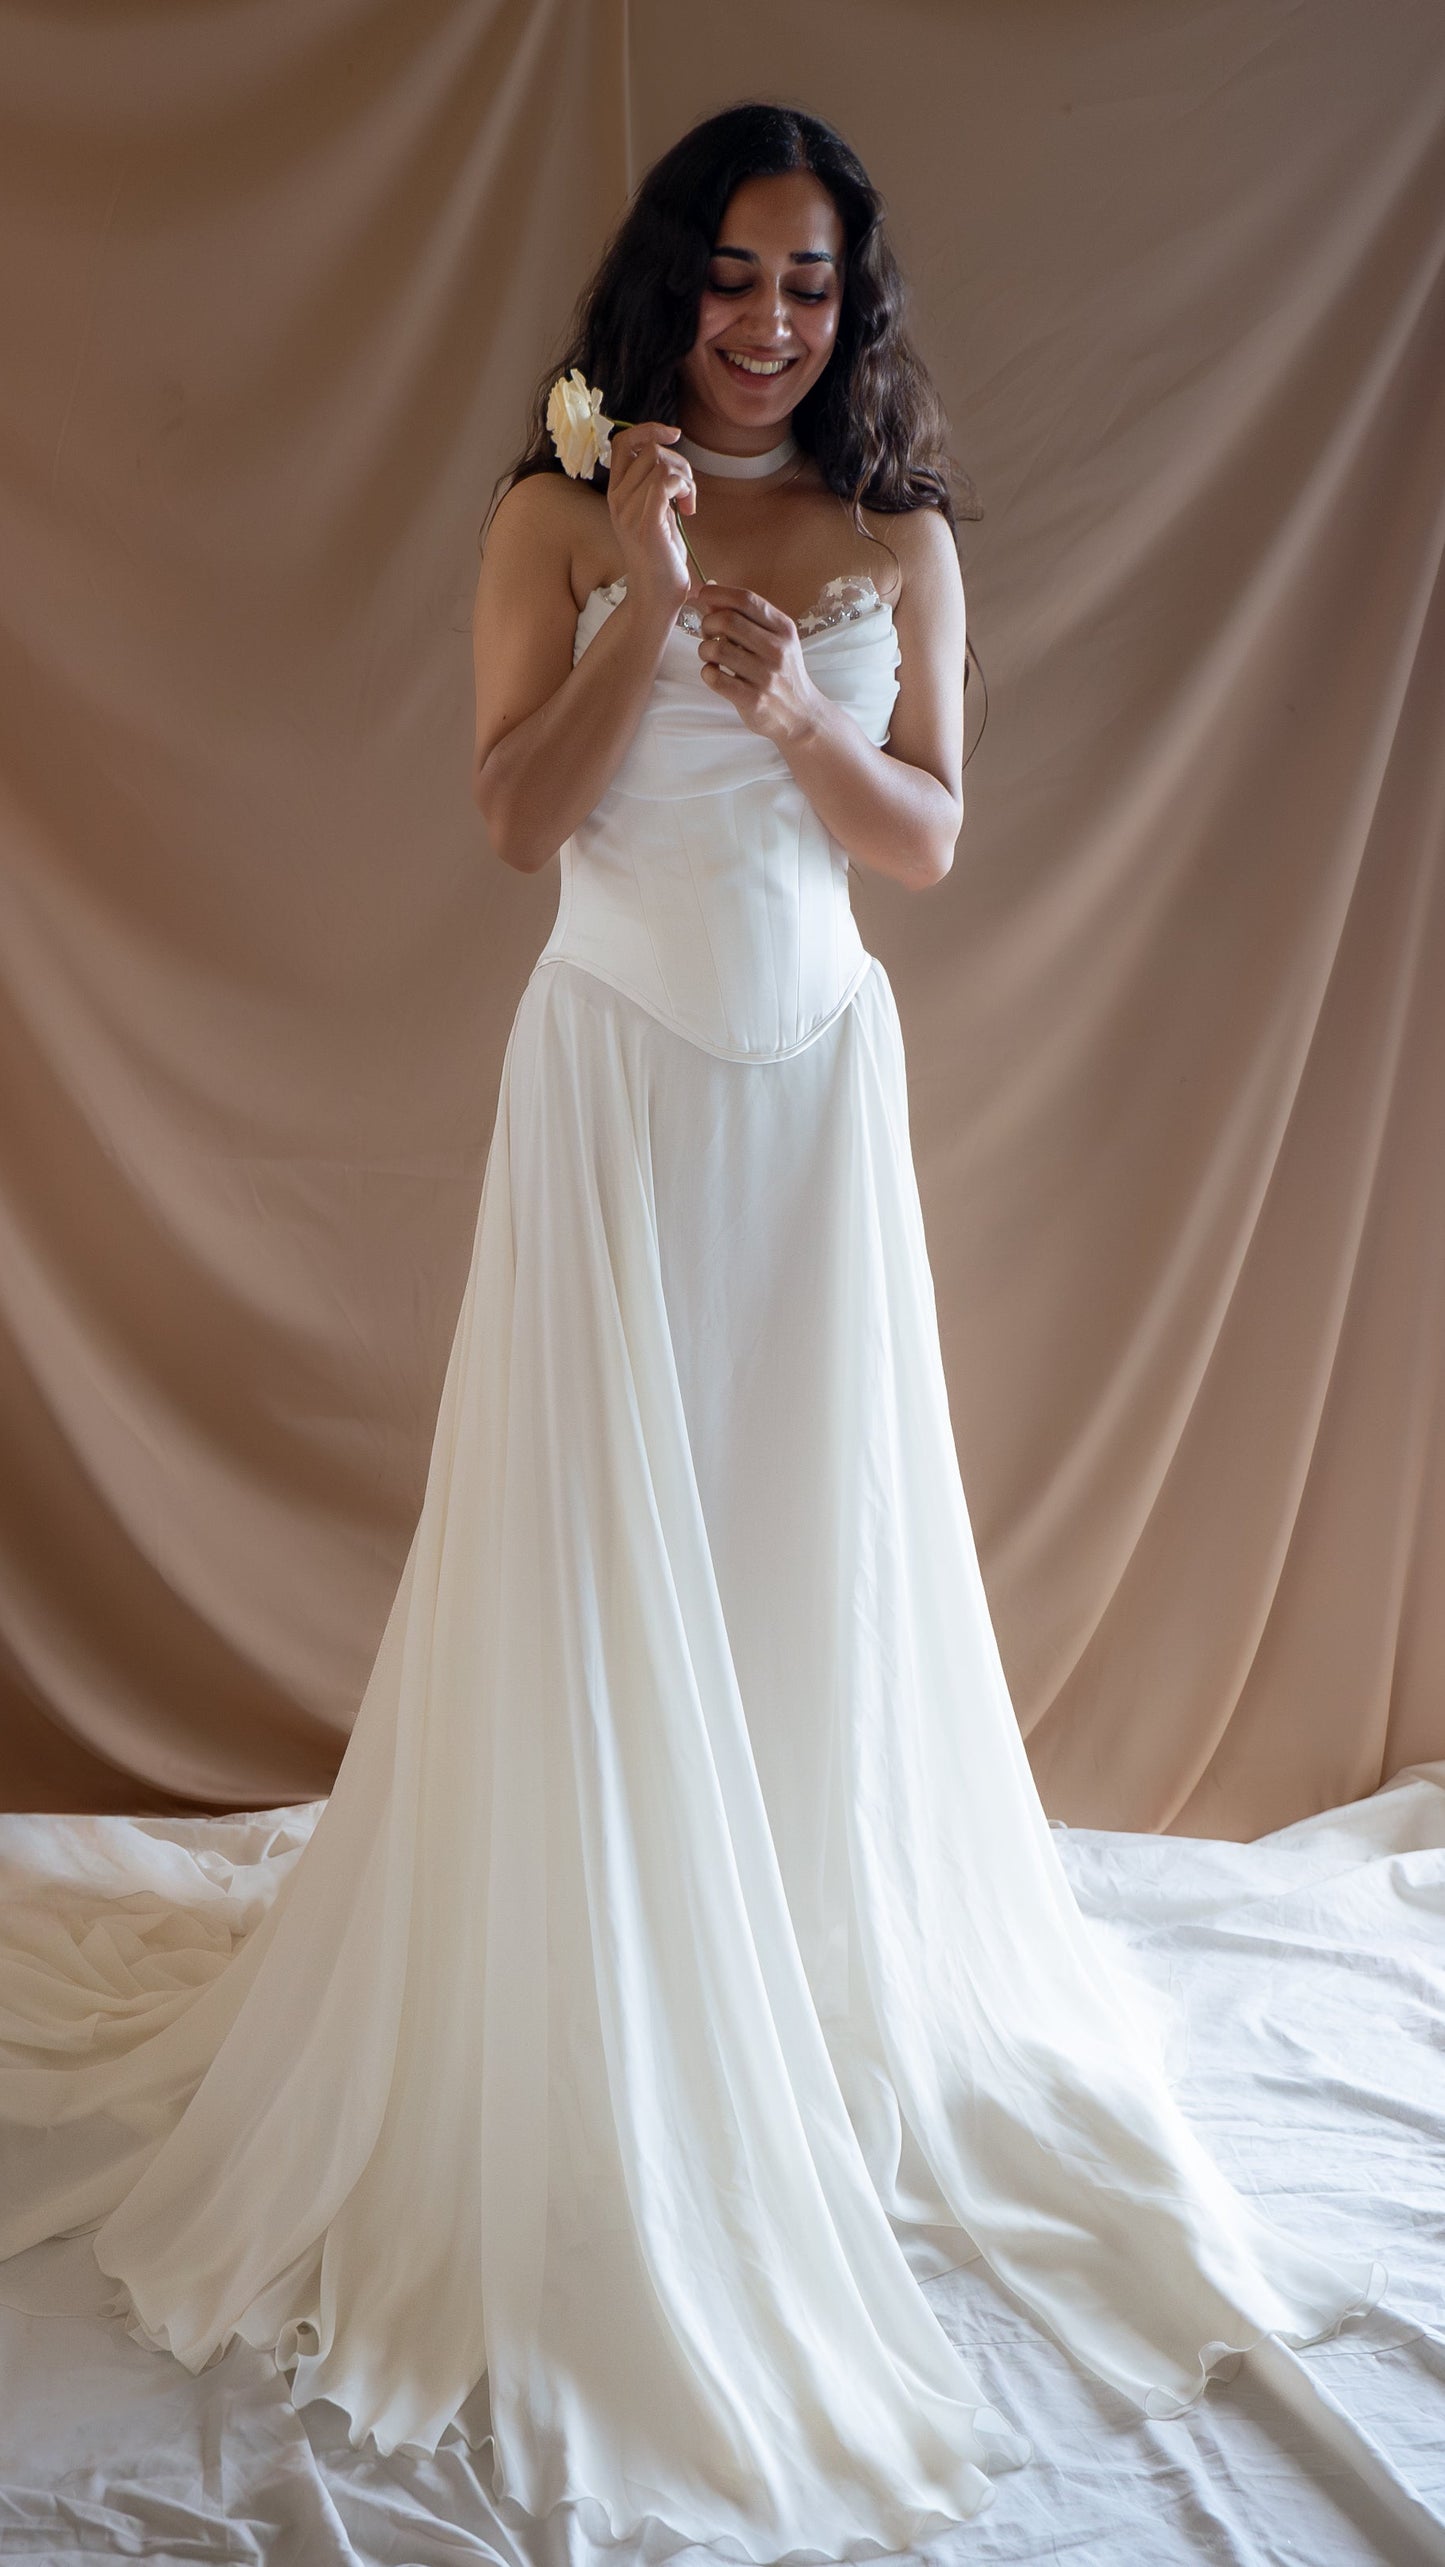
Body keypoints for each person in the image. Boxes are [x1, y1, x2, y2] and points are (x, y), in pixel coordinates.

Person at [0, 101, 1387, 2561]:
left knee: (793, 1543)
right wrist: (644, 607)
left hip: (809, 1101)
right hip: (616, 1090)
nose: (772, 323)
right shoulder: (551, 515)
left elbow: (930, 844)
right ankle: (615, 1991)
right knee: (592, 1546)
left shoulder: (896, 540)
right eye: (737, 277)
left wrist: (797, 711)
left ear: (854, 313)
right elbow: (518, 826)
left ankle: (807, 1969)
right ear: (671, 288)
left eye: (813, 287)